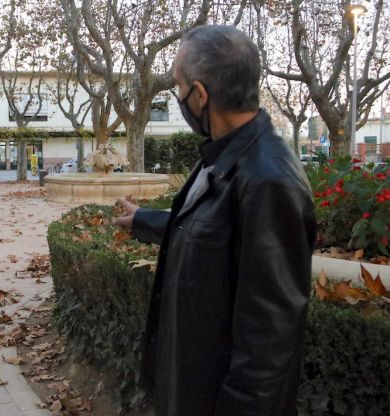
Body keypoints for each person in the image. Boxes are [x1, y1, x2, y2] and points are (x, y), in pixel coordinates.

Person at [113, 25, 316, 416]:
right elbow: (210, 231)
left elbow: (269, 342)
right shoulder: (224, 154)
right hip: (189, 390)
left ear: (200, 95)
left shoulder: (270, 181)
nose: (177, 96)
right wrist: (144, 219)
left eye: (178, 85)